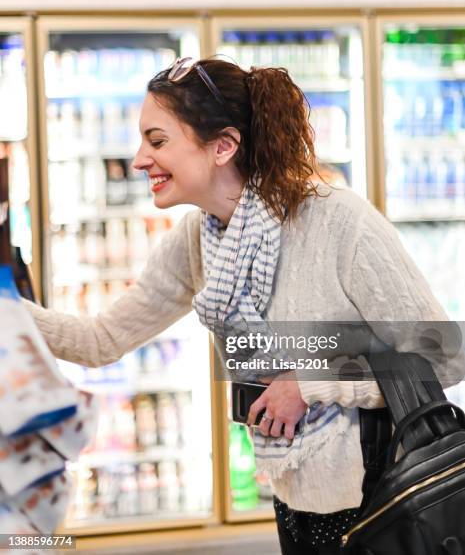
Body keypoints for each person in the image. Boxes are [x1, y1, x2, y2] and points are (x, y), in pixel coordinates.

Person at [25, 57, 462, 555]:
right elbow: (100, 340)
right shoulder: (199, 239)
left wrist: (309, 385)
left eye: (158, 140)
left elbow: (443, 353)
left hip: (386, 498)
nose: (139, 159)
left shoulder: (337, 221)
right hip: (294, 501)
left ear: (223, 146)